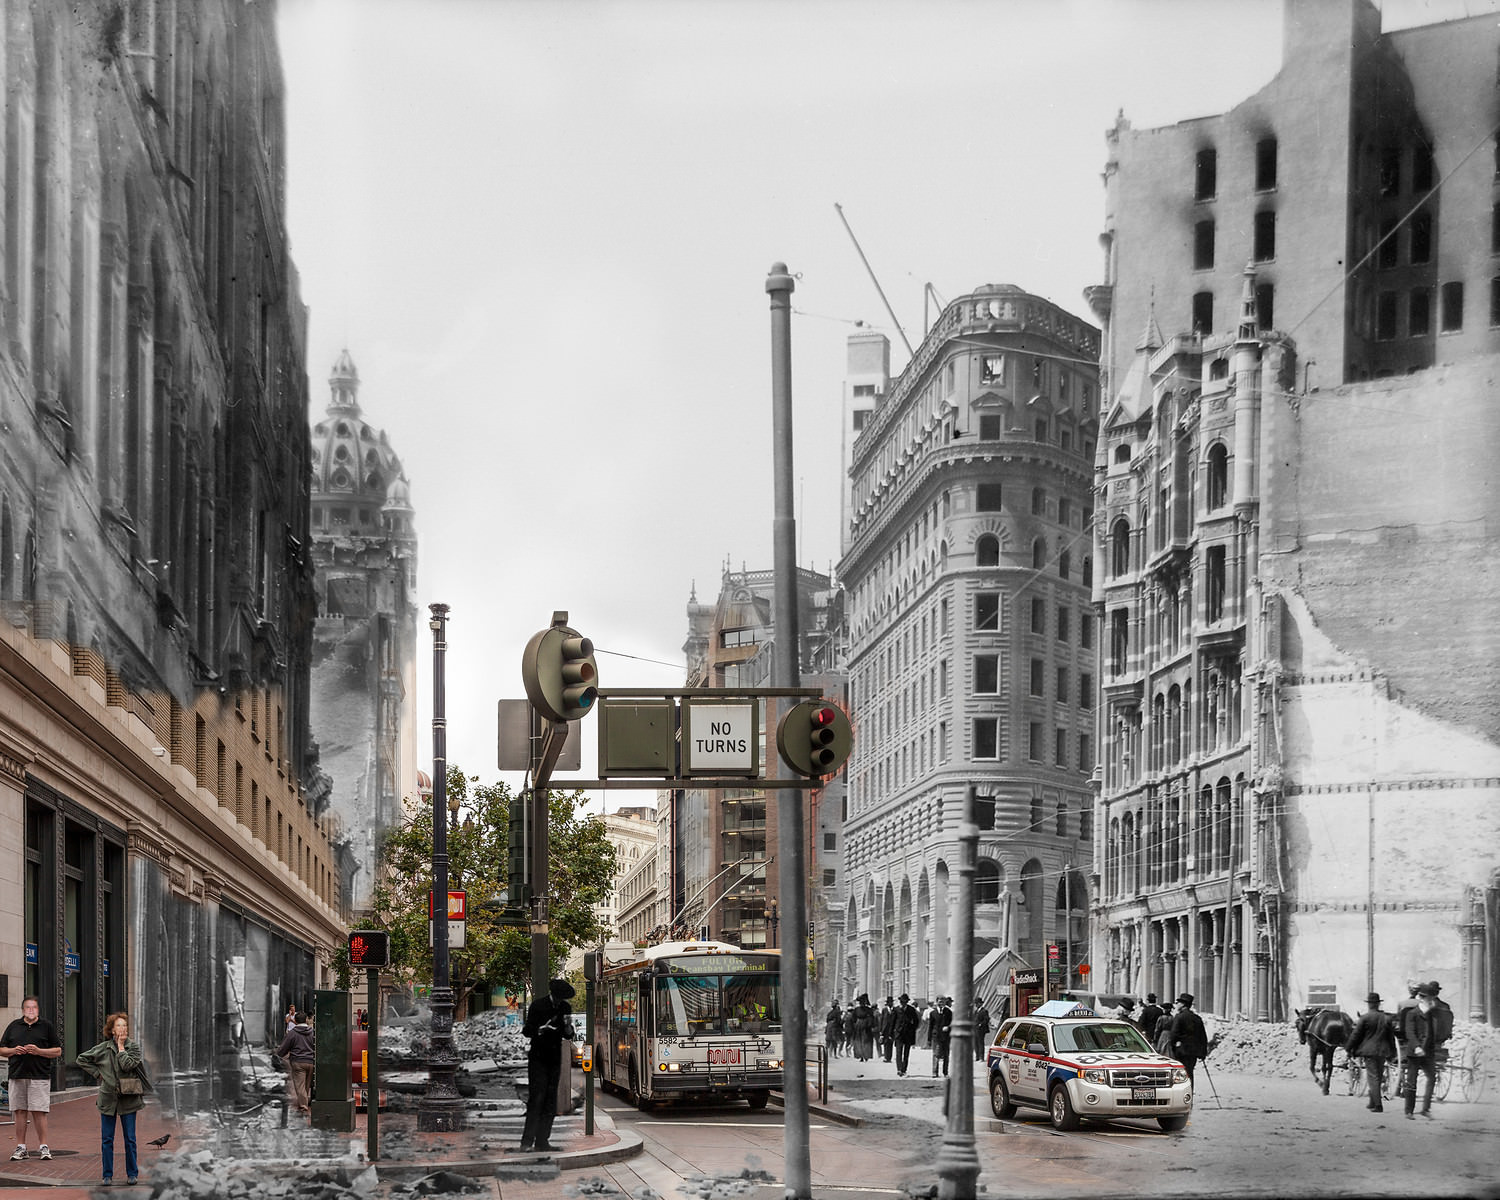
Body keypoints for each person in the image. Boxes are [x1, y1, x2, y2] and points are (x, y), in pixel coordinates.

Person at [76, 1011, 149, 1187]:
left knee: (130, 1139)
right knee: (107, 1139)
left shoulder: (134, 1048)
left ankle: (132, 1174)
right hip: (107, 1099)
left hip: (129, 1100)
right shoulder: (103, 1048)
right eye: (118, 1025)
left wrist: (122, 1047)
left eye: (124, 1025)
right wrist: (97, 1073)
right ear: (112, 1030)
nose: (122, 1028)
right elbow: (81, 1059)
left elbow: (127, 1065)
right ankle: (106, 1175)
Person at [1, 996, 63, 1163]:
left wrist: (39, 1051)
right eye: (27, 1007)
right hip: (17, 1075)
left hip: (39, 1076)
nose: (30, 1010)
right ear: (23, 1010)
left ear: (38, 1010)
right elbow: (2, 1049)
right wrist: (14, 1050)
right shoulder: (13, 1026)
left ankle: (43, 1146)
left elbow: (57, 1051)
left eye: (34, 1007)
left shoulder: (46, 1026)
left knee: (39, 1111)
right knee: (19, 1111)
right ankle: (21, 1147)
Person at [520, 979, 575, 1152]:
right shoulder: (538, 1005)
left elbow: (568, 1035)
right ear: (554, 994)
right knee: (537, 1099)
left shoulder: (565, 1008)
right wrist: (540, 1029)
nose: (560, 1001)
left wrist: (567, 1027)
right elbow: (527, 1030)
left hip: (554, 1057)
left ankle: (542, 1141)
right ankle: (526, 1142)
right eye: (559, 997)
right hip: (538, 1057)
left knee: (551, 1100)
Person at [1344, 992, 1397, 1113]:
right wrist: (1392, 1053)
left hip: (1369, 1051)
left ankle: (1378, 1105)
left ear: (1369, 1005)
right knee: (1377, 1075)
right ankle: (1373, 1101)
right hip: (1383, 1051)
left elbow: (1356, 1035)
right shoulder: (1386, 1018)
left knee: (1373, 1077)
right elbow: (1391, 1037)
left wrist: (1348, 1048)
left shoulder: (1365, 1018)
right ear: (1378, 1004)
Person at [1398, 983, 1441, 1120]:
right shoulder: (1412, 1014)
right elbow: (1410, 1032)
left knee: (1432, 1078)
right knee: (1411, 1081)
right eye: (1429, 998)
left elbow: (1433, 1033)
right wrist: (1416, 1046)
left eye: (1432, 998)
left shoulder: (1432, 1014)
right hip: (1414, 1053)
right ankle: (1409, 1111)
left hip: (1428, 1053)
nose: (1432, 1000)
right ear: (1422, 998)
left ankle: (1426, 1109)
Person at [276, 1008, 316, 1115]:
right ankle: (303, 1102)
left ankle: (303, 1106)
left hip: (298, 1061)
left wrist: (278, 1054)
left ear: (296, 1021)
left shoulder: (292, 1033)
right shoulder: (312, 1032)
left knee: (300, 1085)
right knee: (306, 1085)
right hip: (311, 1061)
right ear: (306, 1020)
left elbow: (283, 1048)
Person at [1169, 993, 1208, 1085]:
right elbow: (1203, 1037)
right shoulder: (1197, 1018)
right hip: (1193, 1052)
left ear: (1183, 1004)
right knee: (1190, 1072)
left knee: (1180, 1073)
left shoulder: (1179, 1017)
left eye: (1178, 1003)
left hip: (1181, 1050)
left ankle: (1182, 1093)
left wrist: (1173, 1046)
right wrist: (1203, 1052)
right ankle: (1189, 1091)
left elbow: (1173, 1035)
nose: (1177, 1005)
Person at [893, 994, 919, 1077]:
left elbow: (916, 1021)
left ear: (907, 1002)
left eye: (904, 1002)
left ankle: (904, 1069)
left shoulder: (911, 1009)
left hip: (908, 1034)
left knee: (906, 1053)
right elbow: (892, 1022)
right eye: (901, 1002)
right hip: (899, 1034)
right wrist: (891, 1033)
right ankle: (899, 1069)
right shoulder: (896, 1009)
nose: (903, 1003)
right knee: (898, 1052)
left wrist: (912, 1029)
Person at [849, 994, 876, 1062]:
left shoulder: (869, 1010)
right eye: (861, 1003)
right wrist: (855, 1025)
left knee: (866, 1041)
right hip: (858, 1027)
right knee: (859, 1041)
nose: (862, 1004)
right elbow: (853, 1018)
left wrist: (869, 1025)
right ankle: (860, 1055)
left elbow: (872, 1018)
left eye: (863, 1002)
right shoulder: (856, 1009)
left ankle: (866, 1055)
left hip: (866, 1027)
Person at [930, 997, 953, 1077]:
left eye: (943, 1002)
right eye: (939, 1002)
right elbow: (931, 1026)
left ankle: (945, 1072)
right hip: (936, 1036)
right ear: (936, 1002)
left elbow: (952, 1023)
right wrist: (929, 1039)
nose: (941, 1003)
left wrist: (948, 1027)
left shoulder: (948, 1012)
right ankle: (934, 1072)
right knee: (936, 1054)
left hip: (946, 1037)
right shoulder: (933, 1013)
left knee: (946, 1055)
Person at [878, 997, 897, 1064]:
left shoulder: (895, 1010)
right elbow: (881, 1020)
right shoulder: (884, 1010)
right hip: (885, 1029)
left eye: (891, 1002)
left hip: (892, 1029)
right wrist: (880, 1030)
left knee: (890, 1043)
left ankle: (889, 1057)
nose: (890, 1003)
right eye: (889, 1002)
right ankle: (886, 1057)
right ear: (887, 1003)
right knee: (885, 1043)